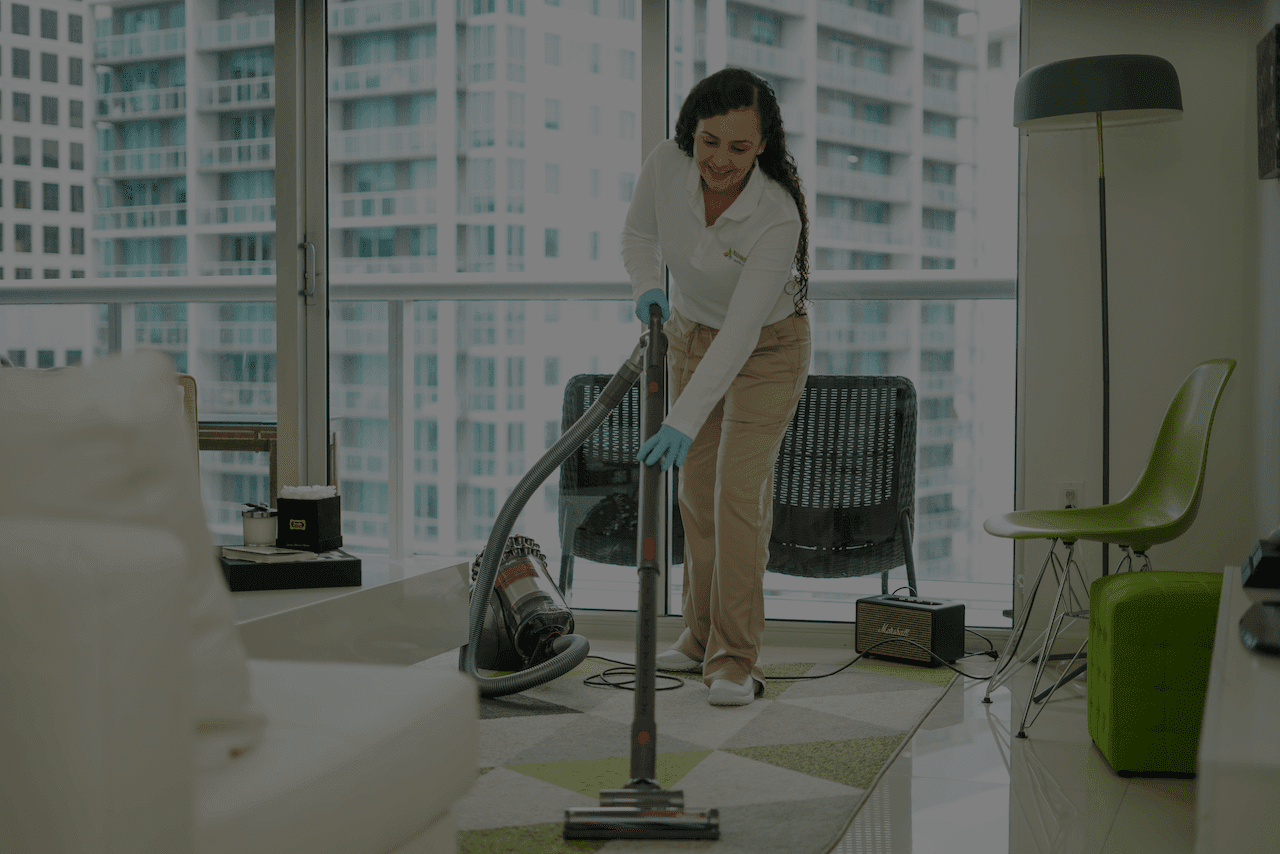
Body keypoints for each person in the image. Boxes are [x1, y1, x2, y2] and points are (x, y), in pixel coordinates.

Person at [620, 67, 811, 706]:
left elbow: (741, 334)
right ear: (690, 135)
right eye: (709, 142)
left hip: (766, 349)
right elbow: (640, 234)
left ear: (762, 145)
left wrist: (680, 418)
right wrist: (647, 283)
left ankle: (737, 658)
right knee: (696, 495)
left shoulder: (776, 215)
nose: (719, 161)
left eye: (738, 147)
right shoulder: (666, 165)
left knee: (736, 495)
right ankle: (699, 635)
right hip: (690, 336)